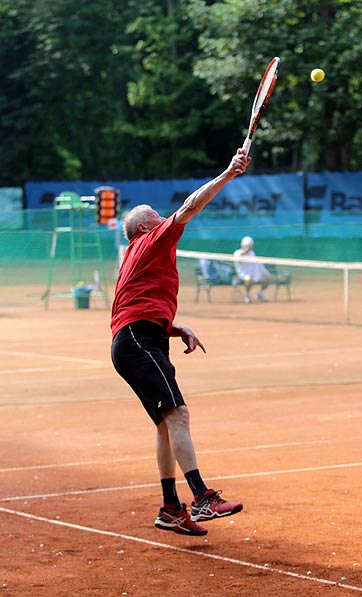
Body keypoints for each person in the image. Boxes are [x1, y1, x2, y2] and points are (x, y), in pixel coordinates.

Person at [111, 148, 251, 536]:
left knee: (164, 425)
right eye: (156, 217)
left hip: (137, 339)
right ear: (144, 228)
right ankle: (202, 498)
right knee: (178, 415)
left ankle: (171, 508)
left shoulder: (137, 254)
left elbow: (133, 306)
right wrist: (227, 174)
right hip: (139, 341)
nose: (164, 219)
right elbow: (190, 206)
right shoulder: (151, 239)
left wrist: (174, 328)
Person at [233, 236, 273, 303]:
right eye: (248, 245)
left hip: (254, 275)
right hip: (243, 275)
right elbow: (239, 259)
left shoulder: (252, 253)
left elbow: (259, 265)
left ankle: (260, 294)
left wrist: (266, 274)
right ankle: (247, 296)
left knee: (268, 279)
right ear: (243, 245)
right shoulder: (237, 252)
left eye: (250, 246)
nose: (249, 247)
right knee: (249, 279)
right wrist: (246, 251)